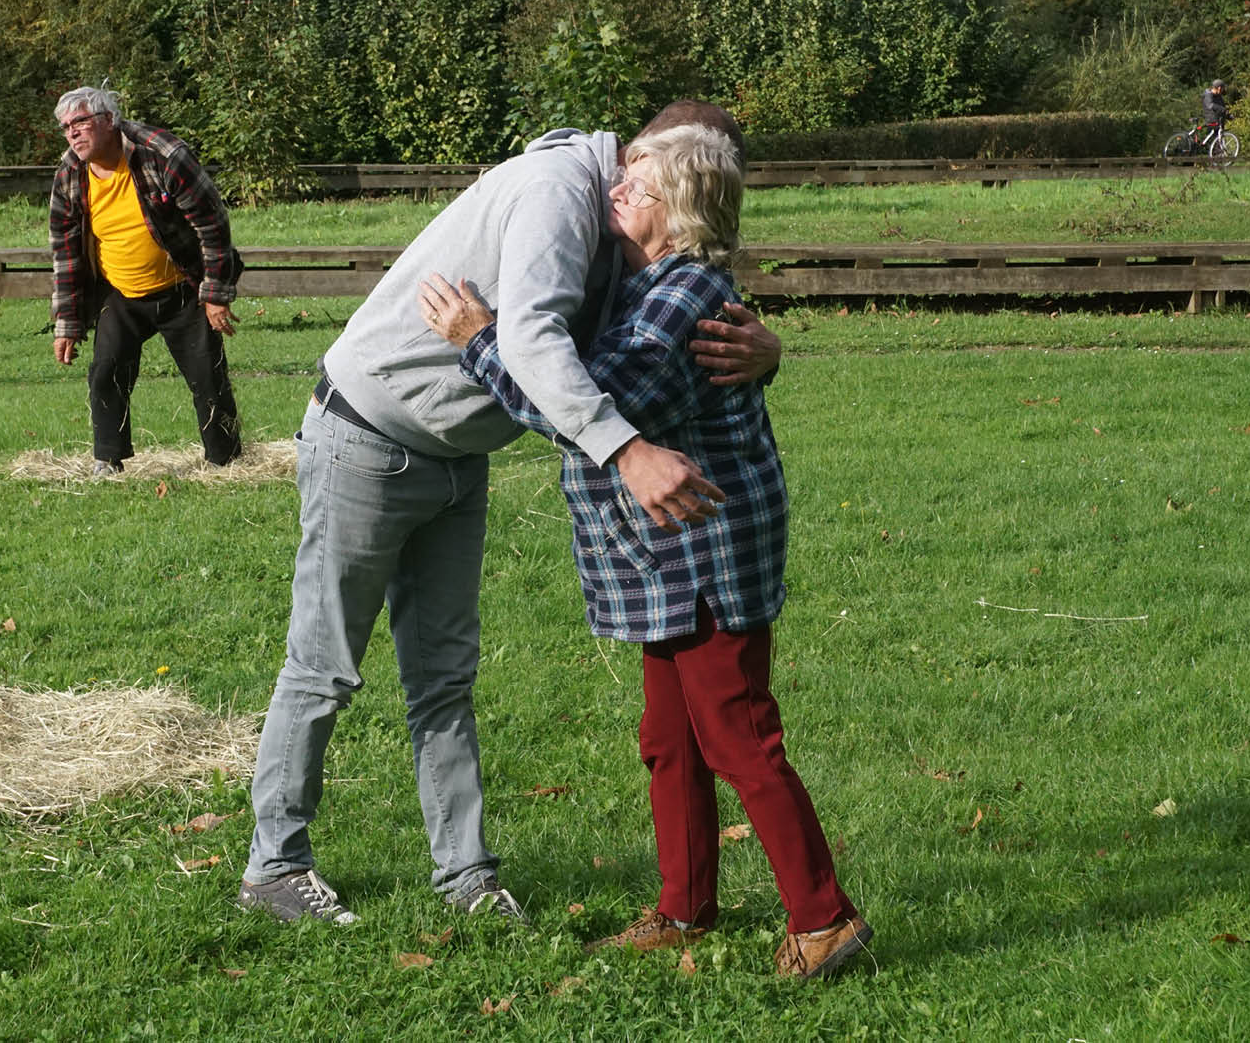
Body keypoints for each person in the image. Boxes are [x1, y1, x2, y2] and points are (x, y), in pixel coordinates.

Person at [236, 101, 781, 926]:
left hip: (455, 453)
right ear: (635, 155)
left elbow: (668, 329)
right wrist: (626, 451)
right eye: (644, 174)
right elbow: (528, 344)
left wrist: (769, 351)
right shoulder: (562, 196)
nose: (639, 189)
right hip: (368, 437)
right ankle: (274, 866)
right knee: (325, 664)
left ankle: (465, 875)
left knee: (444, 677)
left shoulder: (626, 221)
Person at [418, 122, 871, 980]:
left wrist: (478, 337)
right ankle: (685, 905)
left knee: (739, 736)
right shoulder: (650, 283)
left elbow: (583, 408)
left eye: (640, 186)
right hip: (664, 557)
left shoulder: (674, 303)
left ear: (684, 211)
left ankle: (826, 917)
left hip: (706, 554)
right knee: (669, 737)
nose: (616, 193)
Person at [48, 86, 244, 474]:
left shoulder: (163, 154)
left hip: (184, 286)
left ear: (108, 120)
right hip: (119, 292)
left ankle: (226, 462)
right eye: (66, 127)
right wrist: (67, 322)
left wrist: (216, 293)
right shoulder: (71, 172)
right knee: (106, 371)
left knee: (208, 375)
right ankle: (108, 460)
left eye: (80, 122)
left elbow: (212, 224)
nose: (72, 133)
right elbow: (65, 253)